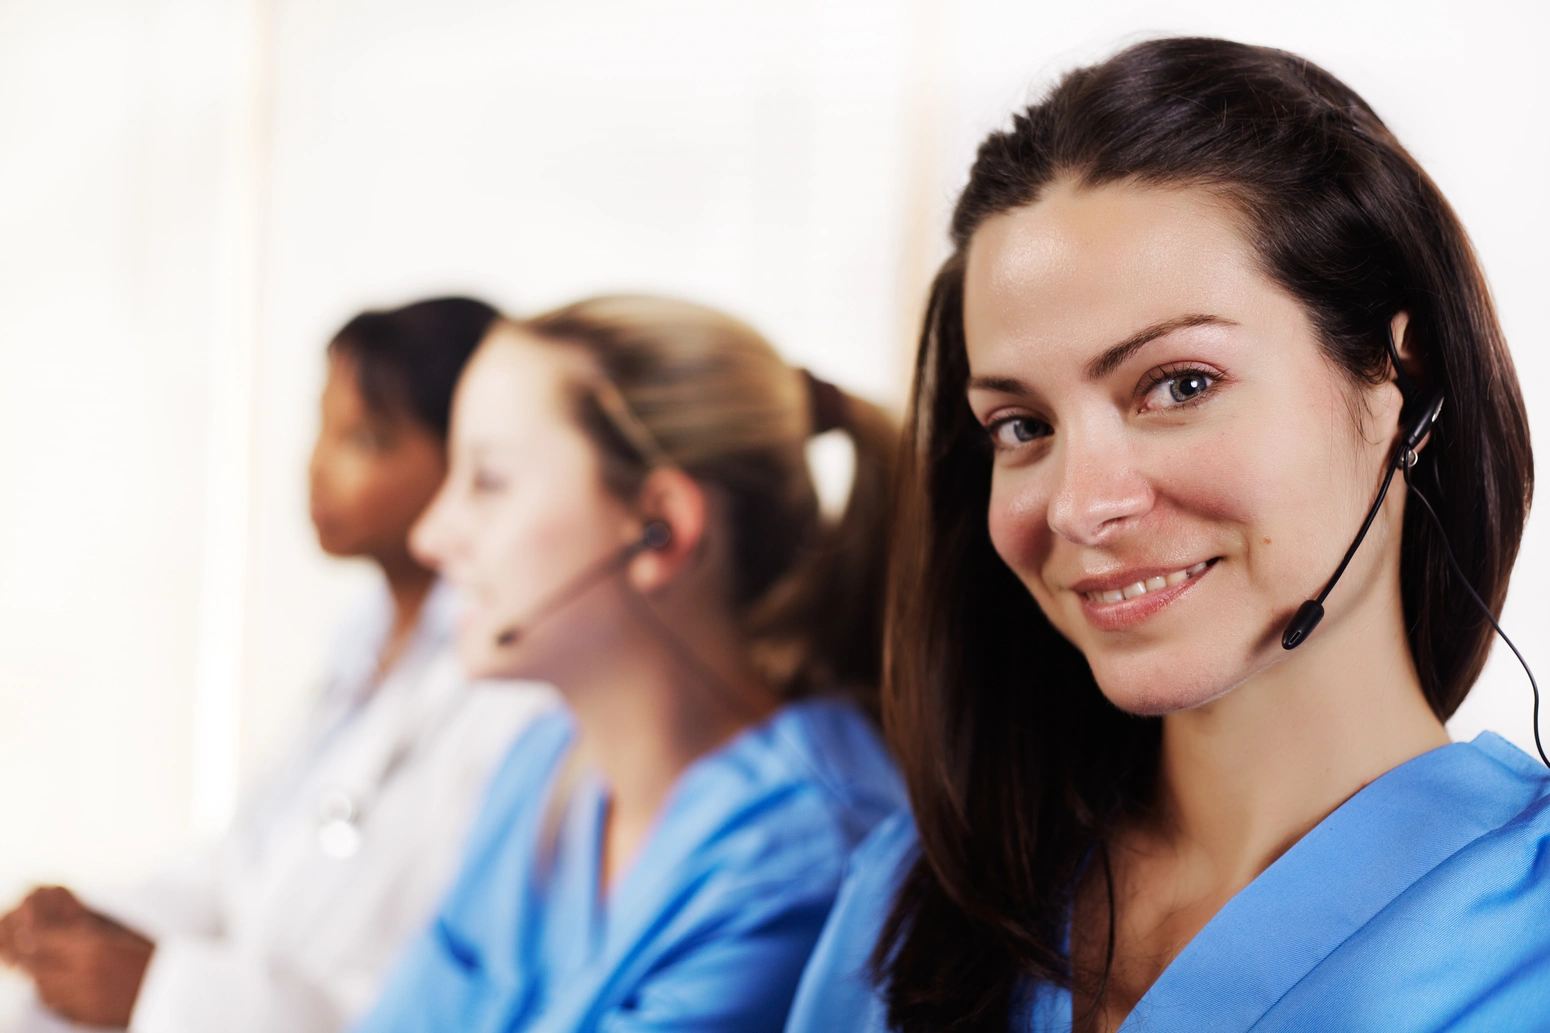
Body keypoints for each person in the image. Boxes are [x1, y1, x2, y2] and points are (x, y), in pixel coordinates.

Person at [785, 37, 1547, 1033]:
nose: (1076, 505)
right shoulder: (908, 899)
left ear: (1402, 380)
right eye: (1021, 426)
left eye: (1179, 385)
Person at [0, 297, 554, 1033]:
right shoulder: (360, 651)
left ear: (465, 458)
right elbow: (251, 867)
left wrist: (168, 996)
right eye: (322, 427)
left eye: (366, 438)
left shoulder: (514, 695)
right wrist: (102, 924)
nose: (319, 465)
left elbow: (435, 997)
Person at [355, 295, 904, 1033]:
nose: (431, 535)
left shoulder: (799, 855)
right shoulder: (539, 768)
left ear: (660, 529)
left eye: (487, 480)